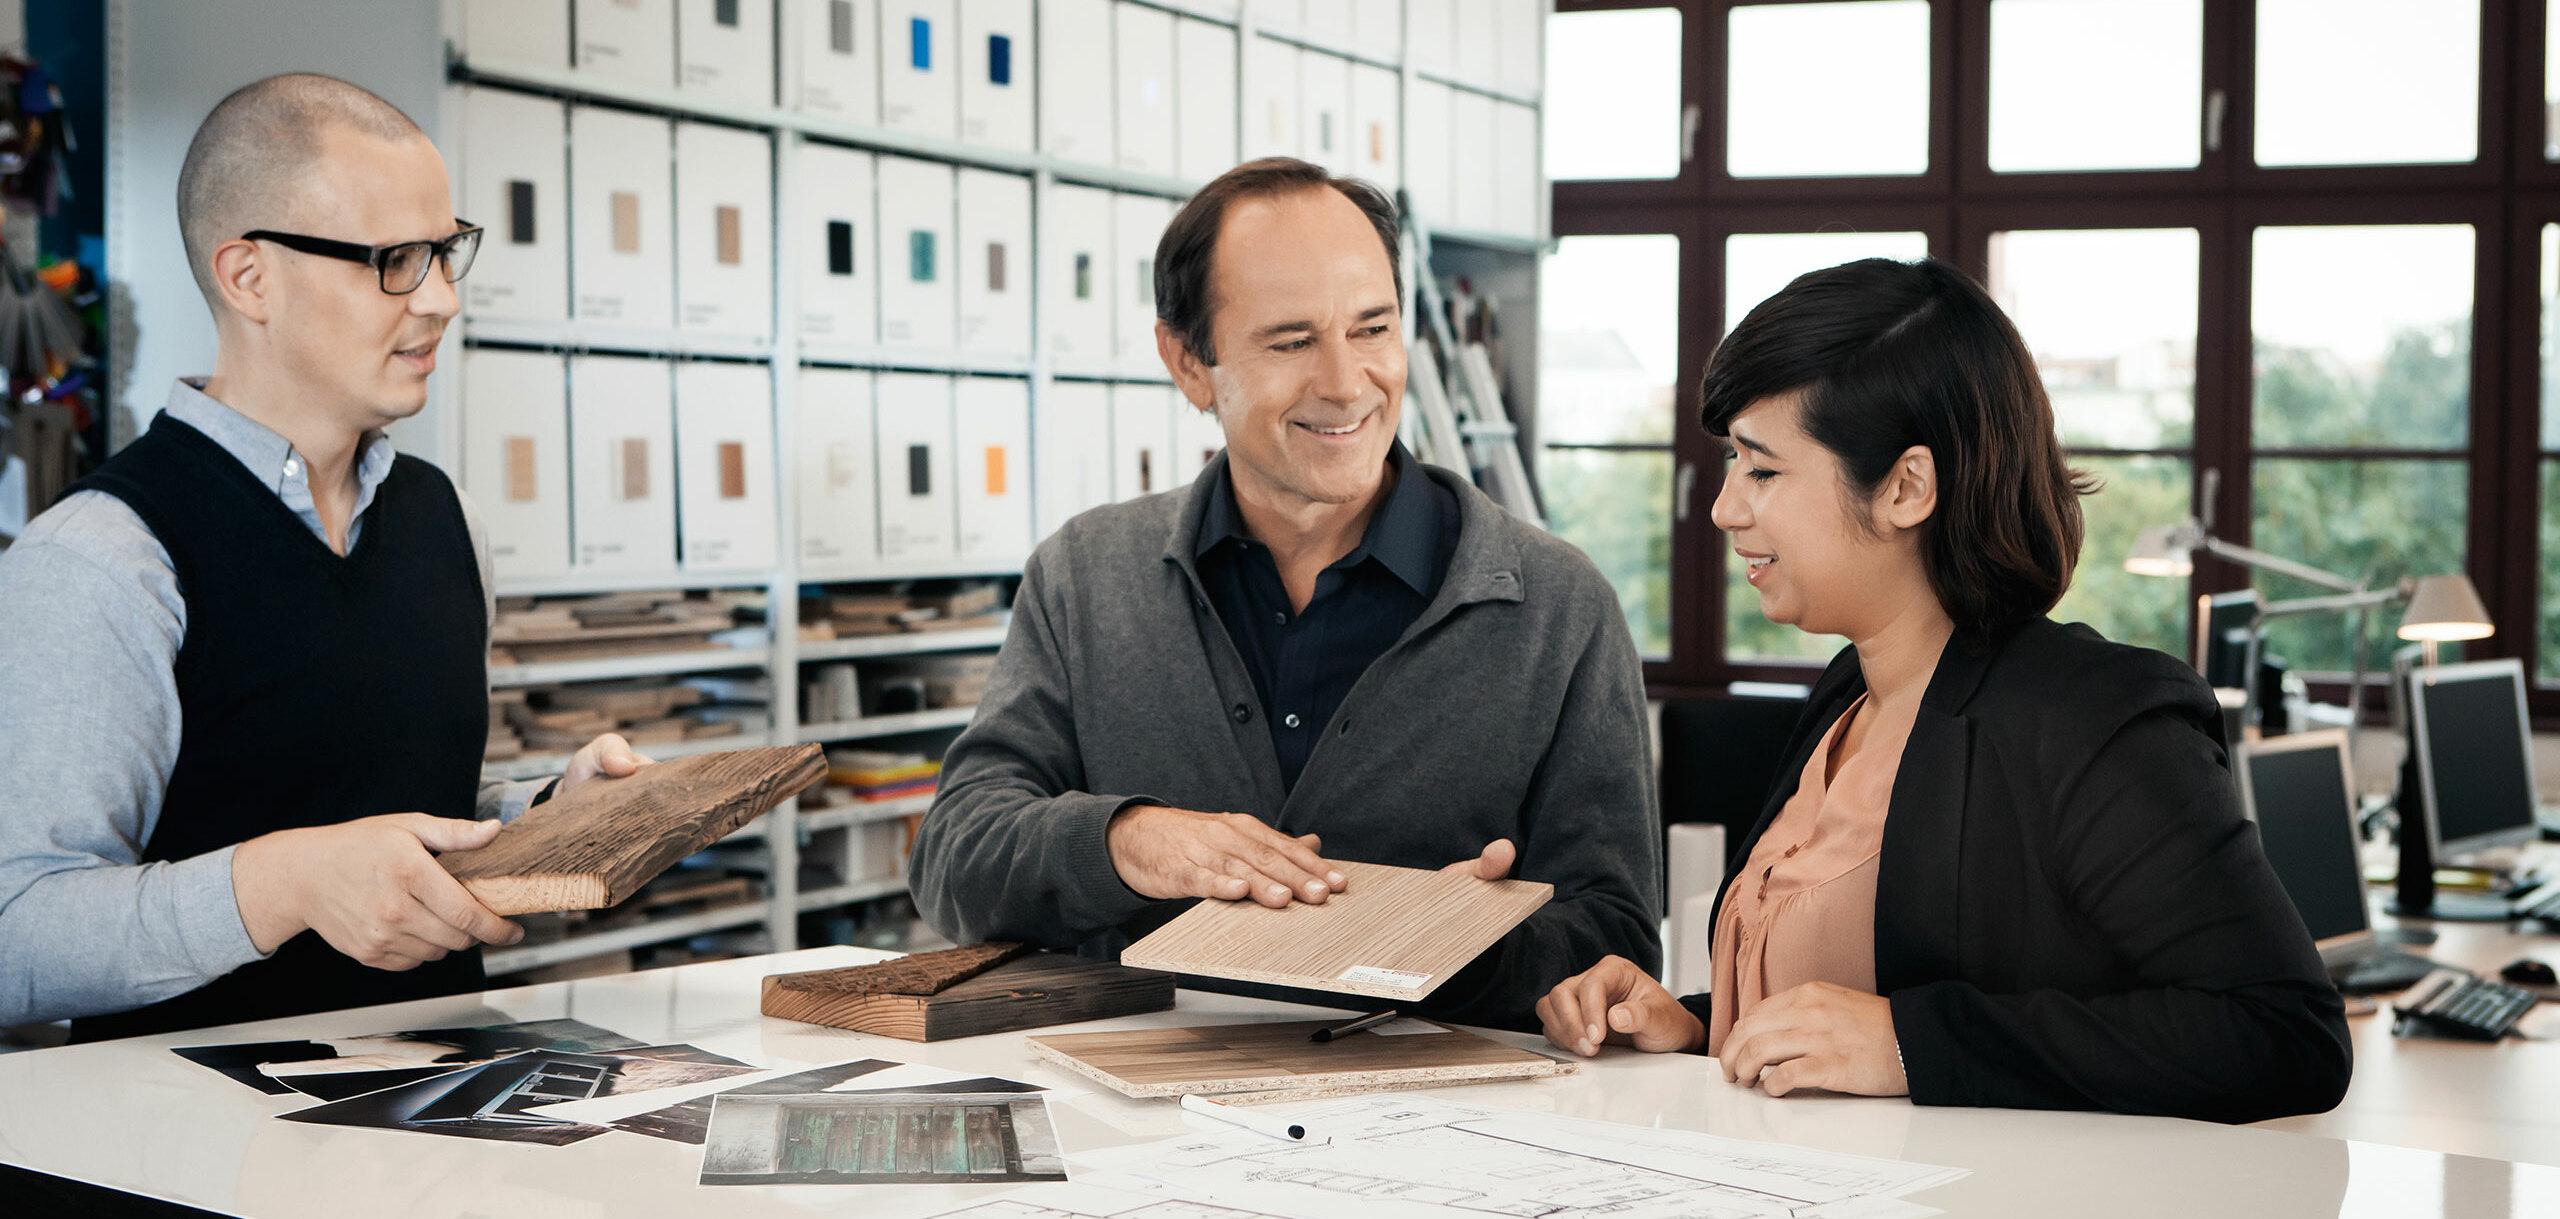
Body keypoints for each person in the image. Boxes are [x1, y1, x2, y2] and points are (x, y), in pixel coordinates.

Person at [1535, 257, 2352, 1122]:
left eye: (1762, 470)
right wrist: (1696, 1027)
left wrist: (1908, 1043)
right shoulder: (1848, 696)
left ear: (1906, 487)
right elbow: (1850, 1009)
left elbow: (2286, 1031)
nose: (1724, 507)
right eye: (1732, 460)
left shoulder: (2094, 717)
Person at [906, 158, 1659, 1029]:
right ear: (1189, 364)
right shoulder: (1085, 575)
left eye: (1372, 328)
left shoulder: (1557, 606)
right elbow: (954, 855)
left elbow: (1621, 946)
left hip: (1428, 1107)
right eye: (1292, 342)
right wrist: (1127, 840)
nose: (1345, 382)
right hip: (1131, 1102)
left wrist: (1464, 946)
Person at [0, 74, 645, 1039]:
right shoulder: (101, 560)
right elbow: (17, 933)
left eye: (445, 252)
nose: (442, 300)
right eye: (395, 261)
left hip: (445, 1095)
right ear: (248, 277)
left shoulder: (443, 517)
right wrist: (286, 884)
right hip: (188, 1126)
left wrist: (553, 815)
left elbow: (390, 803)